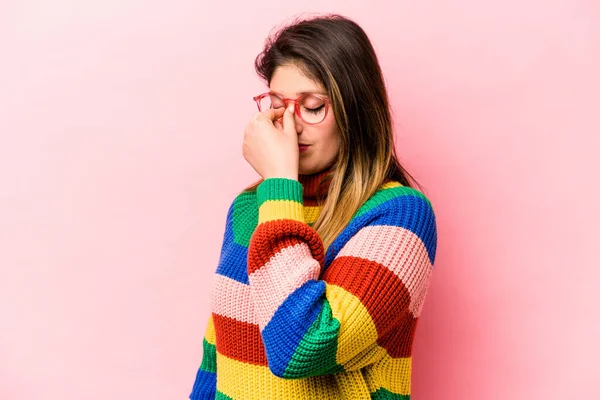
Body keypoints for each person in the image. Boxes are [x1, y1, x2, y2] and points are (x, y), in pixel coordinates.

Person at [189, 13, 437, 400]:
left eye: (313, 106)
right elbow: (217, 355)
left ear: (354, 111)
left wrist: (280, 185)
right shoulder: (250, 208)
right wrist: (277, 192)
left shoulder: (400, 215)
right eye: (277, 103)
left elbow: (302, 348)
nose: (290, 124)